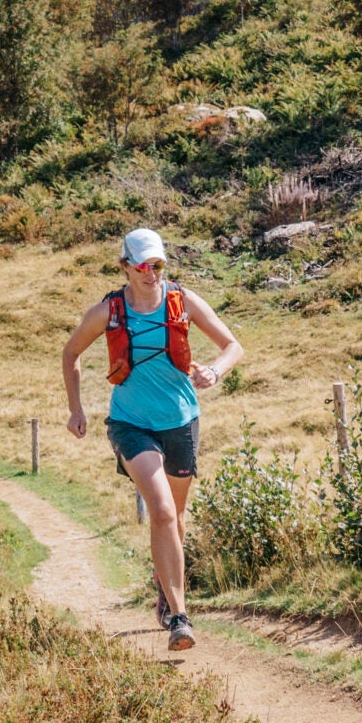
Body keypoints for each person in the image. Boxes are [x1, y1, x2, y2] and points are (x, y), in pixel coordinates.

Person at [61, 227, 245, 652]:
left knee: (176, 520)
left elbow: (233, 345)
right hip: (129, 422)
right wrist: (76, 408)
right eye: (142, 266)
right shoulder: (109, 310)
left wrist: (214, 372)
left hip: (181, 421)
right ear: (125, 266)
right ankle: (180, 618)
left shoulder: (183, 301)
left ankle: (165, 590)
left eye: (157, 265)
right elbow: (71, 352)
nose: (151, 273)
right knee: (161, 510)